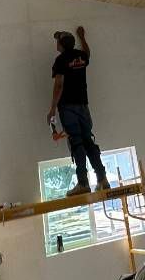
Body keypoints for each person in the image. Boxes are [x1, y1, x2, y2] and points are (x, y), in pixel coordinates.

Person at [47, 25, 110, 196]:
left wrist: (52, 108)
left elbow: (59, 84)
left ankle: (83, 183)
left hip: (68, 106)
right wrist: (82, 36)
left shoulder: (60, 60)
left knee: (77, 142)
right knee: (88, 141)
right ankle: (102, 179)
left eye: (58, 41)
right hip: (83, 105)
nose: (56, 44)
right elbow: (88, 53)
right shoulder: (81, 56)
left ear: (61, 44)